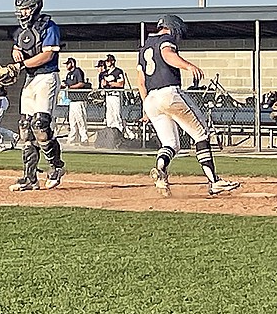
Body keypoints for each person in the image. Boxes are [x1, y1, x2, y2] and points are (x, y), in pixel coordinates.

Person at [137, 14, 240, 197]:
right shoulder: (165, 39)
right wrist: (187, 66)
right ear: (173, 28)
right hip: (168, 93)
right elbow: (167, 54)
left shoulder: (144, 46)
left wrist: (145, 106)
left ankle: (161, 169)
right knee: (201, 134)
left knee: (170, 144)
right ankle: (214, 181)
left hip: (151, 99)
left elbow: (141, 82)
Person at [8, 0, 66, 191]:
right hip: (31, 80)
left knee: (40, 125)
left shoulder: (49, 26)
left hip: (47, 77)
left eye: (25, 9)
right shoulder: (22, 32)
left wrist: (21, 65)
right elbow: (19, 46)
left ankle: (56, 166)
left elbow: (46, 56)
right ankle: (29, 177)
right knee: (25, 127)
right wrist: (15, 53)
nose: (22, 14)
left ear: (34, 7)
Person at [61, 57, 89, 145]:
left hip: (79, 100)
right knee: (72, 121)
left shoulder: (77, 71)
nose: (66, 66)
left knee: (80, 120)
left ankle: (84, 138)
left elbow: (81, 83)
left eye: (68, 64)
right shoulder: (68, 74)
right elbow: (67, 84)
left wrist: (70, 87)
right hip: (72, 100)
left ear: (72, 63)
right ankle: (72, 138)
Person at [100, 54, 126, 132]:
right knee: (109, 115)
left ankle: (119, 132)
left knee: (116, 115)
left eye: (108, 61)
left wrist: (110, 84)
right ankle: (110, 133)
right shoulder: (105, 73)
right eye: (106, 61)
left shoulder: (118, 71)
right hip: (108, 95)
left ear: (113, 61)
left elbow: (121, 83)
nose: (107, 62)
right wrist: (103, 84)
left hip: (116, 95)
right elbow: (102, 84)